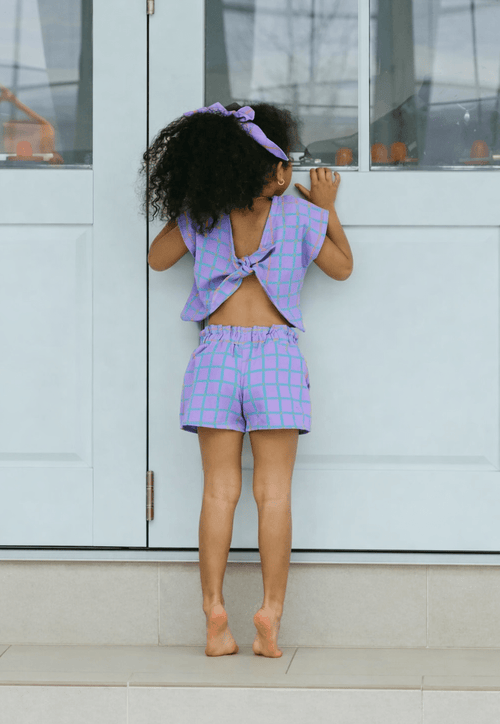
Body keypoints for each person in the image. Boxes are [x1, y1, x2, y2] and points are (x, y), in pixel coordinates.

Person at [138, 101, 353, 659]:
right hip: (276, 358)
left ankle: (214, 612)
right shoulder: (300, 217)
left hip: (216, 355)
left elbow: (157, 259)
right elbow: (342, 267)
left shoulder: (203, 217)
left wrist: (194, 200)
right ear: (279, 172)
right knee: (273, 493)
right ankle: (270, 613)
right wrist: (327, 209)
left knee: (218, 490)